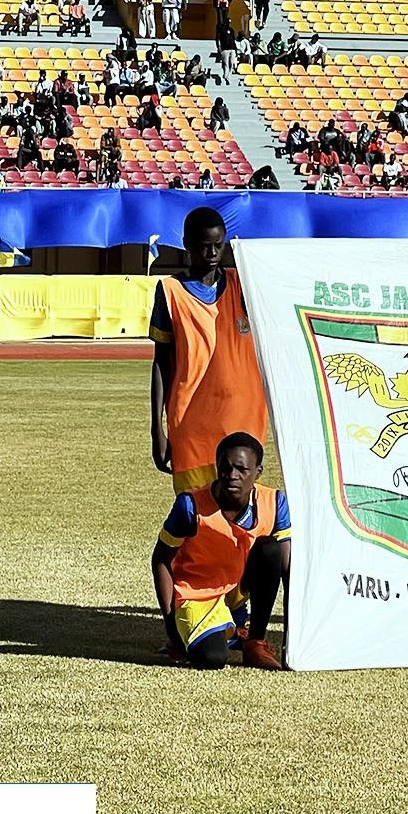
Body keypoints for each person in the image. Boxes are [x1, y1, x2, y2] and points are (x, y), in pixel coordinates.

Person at [149, 206, 269, 500]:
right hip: (191, 423)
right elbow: (161, 363)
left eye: (219, 245)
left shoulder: (243, 285)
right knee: (195, 515)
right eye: (205, 247)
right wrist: (157, 430)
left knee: (241, 510)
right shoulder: (170, 291)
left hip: (243, 420)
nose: (214, 253)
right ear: (188, 245)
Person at [150, 432, 288, 671]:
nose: (232, 476)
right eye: (225, 467)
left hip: (237, 587)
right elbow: (160, 560)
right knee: (212, 658)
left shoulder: (275, 502)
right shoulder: (190, 506)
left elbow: (287, 568)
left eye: (241, 469)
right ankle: (229, 631)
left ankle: (254, 640)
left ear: (258, 472)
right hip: (197, 594)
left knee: (271, 550)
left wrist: (293, 635)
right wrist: (172, 629)